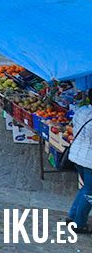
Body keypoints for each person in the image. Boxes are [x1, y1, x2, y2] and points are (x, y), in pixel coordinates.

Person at [68, 100, 92, 234]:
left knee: (86, 188)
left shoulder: (81, 111)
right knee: (90, 191)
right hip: (89, 160)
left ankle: (72, 216)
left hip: (77, 155)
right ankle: (79, 223)